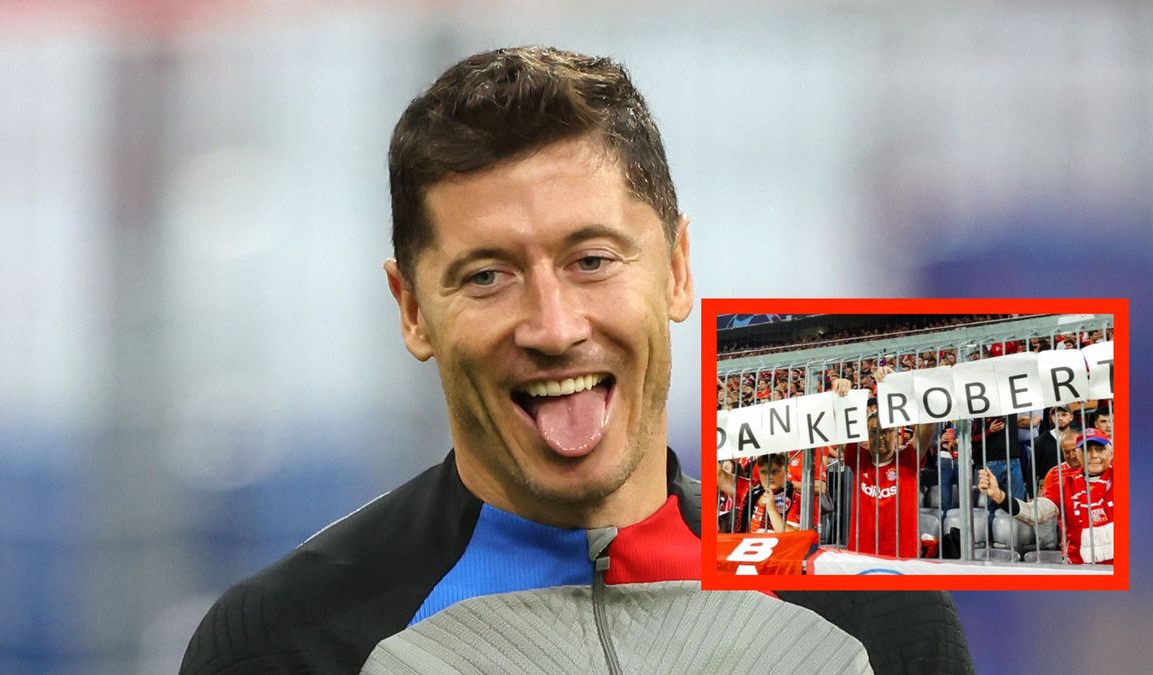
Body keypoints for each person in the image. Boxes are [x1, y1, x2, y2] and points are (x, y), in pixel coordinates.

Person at [180, 46, 970, 673]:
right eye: (488, 275)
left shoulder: (873, 621)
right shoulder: (284, 646)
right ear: (413, 309)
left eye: (591, 259)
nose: (554, 327)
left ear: (678, 269)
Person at [841, 367, 938, 559]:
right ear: (865, 436)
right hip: (861, 553)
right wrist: (845, 391)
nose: (881, 437)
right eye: (874, 431)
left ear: (895, 434)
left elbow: (928, 420)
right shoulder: (857, 457)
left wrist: (900, 383)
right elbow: (845, 420)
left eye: (886, 431)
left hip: (902, 554)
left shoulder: (909, 458)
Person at [979, 429, 1115, 565]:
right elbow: (1033, 513)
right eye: (1086, 450)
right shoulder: (1063, 485)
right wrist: (998, 495)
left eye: (1100, 449)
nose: (1094, 455)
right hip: (1079, 567)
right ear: (1079, 454)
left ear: (1111, 452)